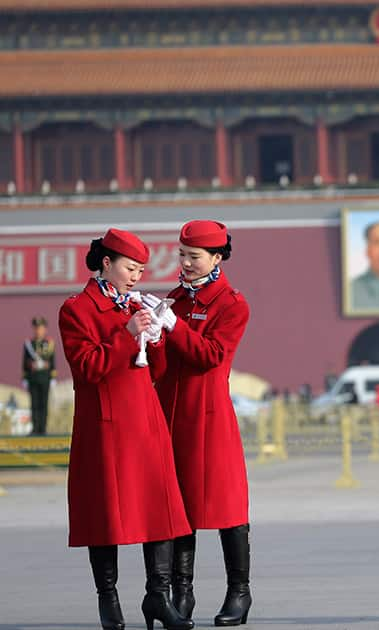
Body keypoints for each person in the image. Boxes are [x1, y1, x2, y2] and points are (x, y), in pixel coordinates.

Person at [58, 228, 193, 630]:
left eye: (140, 270)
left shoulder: (133, 305)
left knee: (161, 509)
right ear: (106, 263)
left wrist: (155, 339)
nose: (136, 277)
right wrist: (128, 334)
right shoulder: (77, 309)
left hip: (144, 420)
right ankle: (109, 598)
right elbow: (86, 368)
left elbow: (158, 371)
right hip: (105, 424)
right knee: (106, 515)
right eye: (130, 268)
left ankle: (157, 595)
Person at [152, 220, 253, 627]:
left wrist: (174, 328)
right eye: (181, 255)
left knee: (227, 507)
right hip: (171, 416)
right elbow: (163, 363)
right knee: (179, 508)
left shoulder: (232, 304)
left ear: (216, 257)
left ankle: (239, 592)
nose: (186, 263)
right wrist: (152, 332)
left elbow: (211, 355)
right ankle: (183, 592)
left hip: (208, 417)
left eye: (194, 256)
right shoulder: (174, 299)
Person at [22, 315, 57, 435]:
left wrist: (53, 377)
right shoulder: (29, 344)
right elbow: (25, 361)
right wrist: (25, 377)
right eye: (37, 328)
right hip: (33, 378)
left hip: (45, 378)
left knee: (44, 403)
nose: (39, 331)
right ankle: (35, 428)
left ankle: (42, 428)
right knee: (34, 404)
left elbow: (52, 361)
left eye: (41, 328)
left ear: (44, 329)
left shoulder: (50, 343)